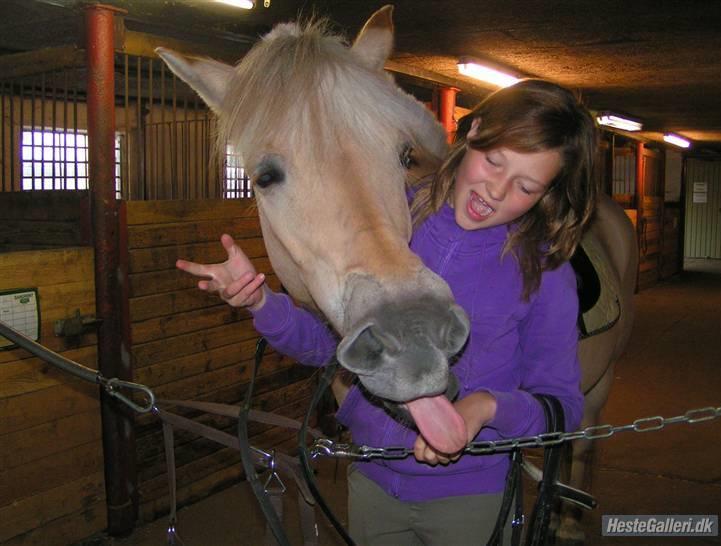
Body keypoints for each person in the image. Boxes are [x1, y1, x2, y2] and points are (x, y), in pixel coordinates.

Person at [176, 79, 598, 546]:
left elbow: (563, 407)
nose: (496, 190)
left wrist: (486, 408)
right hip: (372, 481)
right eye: (494, 161)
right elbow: (334, 349)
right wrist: (259, 302)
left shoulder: (544, 272)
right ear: (474, 130)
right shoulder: (394, 222)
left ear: (546, 193)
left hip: (472, 499)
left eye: (525, 185)